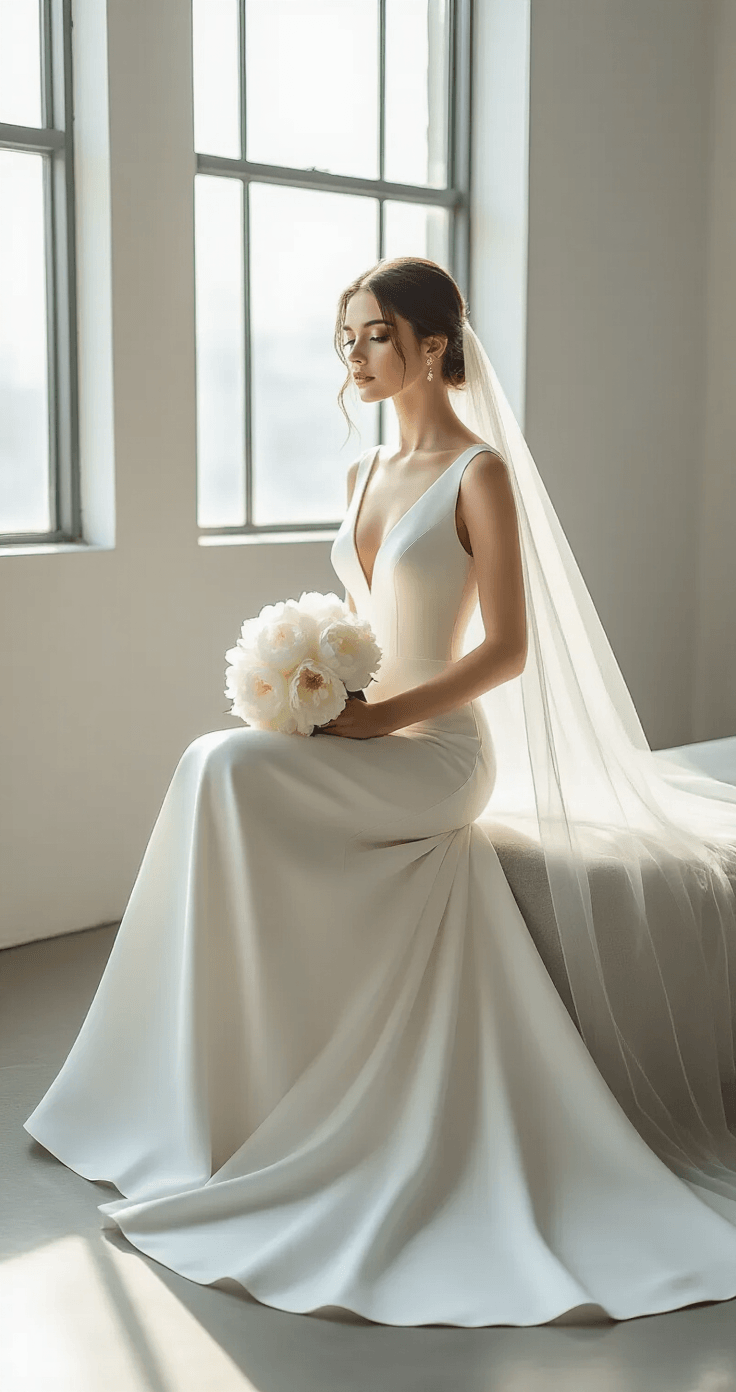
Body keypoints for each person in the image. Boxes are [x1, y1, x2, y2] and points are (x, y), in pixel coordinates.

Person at [24, 257, 736, 1328]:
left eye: (373, 335)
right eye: (345, 338)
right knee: (214, 764)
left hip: (439, 751)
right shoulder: (360, 474)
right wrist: (316, 695)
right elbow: (371, 638)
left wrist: (375, 720)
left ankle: (239, 1097)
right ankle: (201, 1093)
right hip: (369, 731)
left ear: (433, 346)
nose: (353, 356)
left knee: (220, 767)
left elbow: (504, 650)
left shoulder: (478, 472)